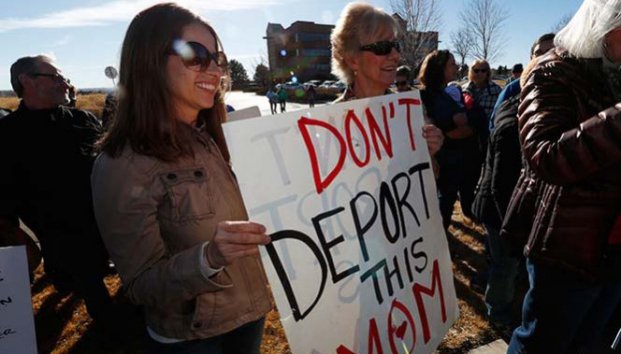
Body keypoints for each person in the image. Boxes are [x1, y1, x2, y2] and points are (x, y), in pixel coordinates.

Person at [90, 4, 272, 353]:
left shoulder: (219, 135)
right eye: (195, 55)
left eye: (217, 57)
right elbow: (140, 284)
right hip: (191, 338)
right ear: (149, 61)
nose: (214, 69)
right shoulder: (122, 164)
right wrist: (209, 258)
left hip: (250, 313)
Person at [501, 0, 621, 352]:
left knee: (590, 343)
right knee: (542, 343)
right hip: (568, 246)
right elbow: (545, 154)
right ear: (605, 27)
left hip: (614, 249)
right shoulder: (552, 70)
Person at [0, 55, 114, 325]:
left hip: (101, 219)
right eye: (56, 77)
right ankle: (108, 322)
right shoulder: (7, 134)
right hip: (55, 229)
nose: (65, 83)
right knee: (86, 275)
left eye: (64, 77)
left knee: (82, 269)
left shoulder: (82, 119)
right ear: (26, 81)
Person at [331, 2, 443, 157]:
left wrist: (430, 152)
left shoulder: (408, 113)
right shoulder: (330, 124)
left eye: (396, 45)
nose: (396, 55)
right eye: (382, 47)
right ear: (352, 60)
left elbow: (427, 176)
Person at [417, 50, 482, 231]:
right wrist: (472, 125)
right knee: (442, 205)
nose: (456, 67)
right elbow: (454, 132)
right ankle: (439, 239)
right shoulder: (430, 96)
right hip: (443, 163)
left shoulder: (444, 94)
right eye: (452, 64)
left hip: (453, 161)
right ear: (440, 68)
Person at [488, 33, 555, 131]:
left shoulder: (573, 86)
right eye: (538, 53)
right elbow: (493, 127)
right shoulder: (512, 89)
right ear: (531, 58)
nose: (543, 57)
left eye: (550, 51)